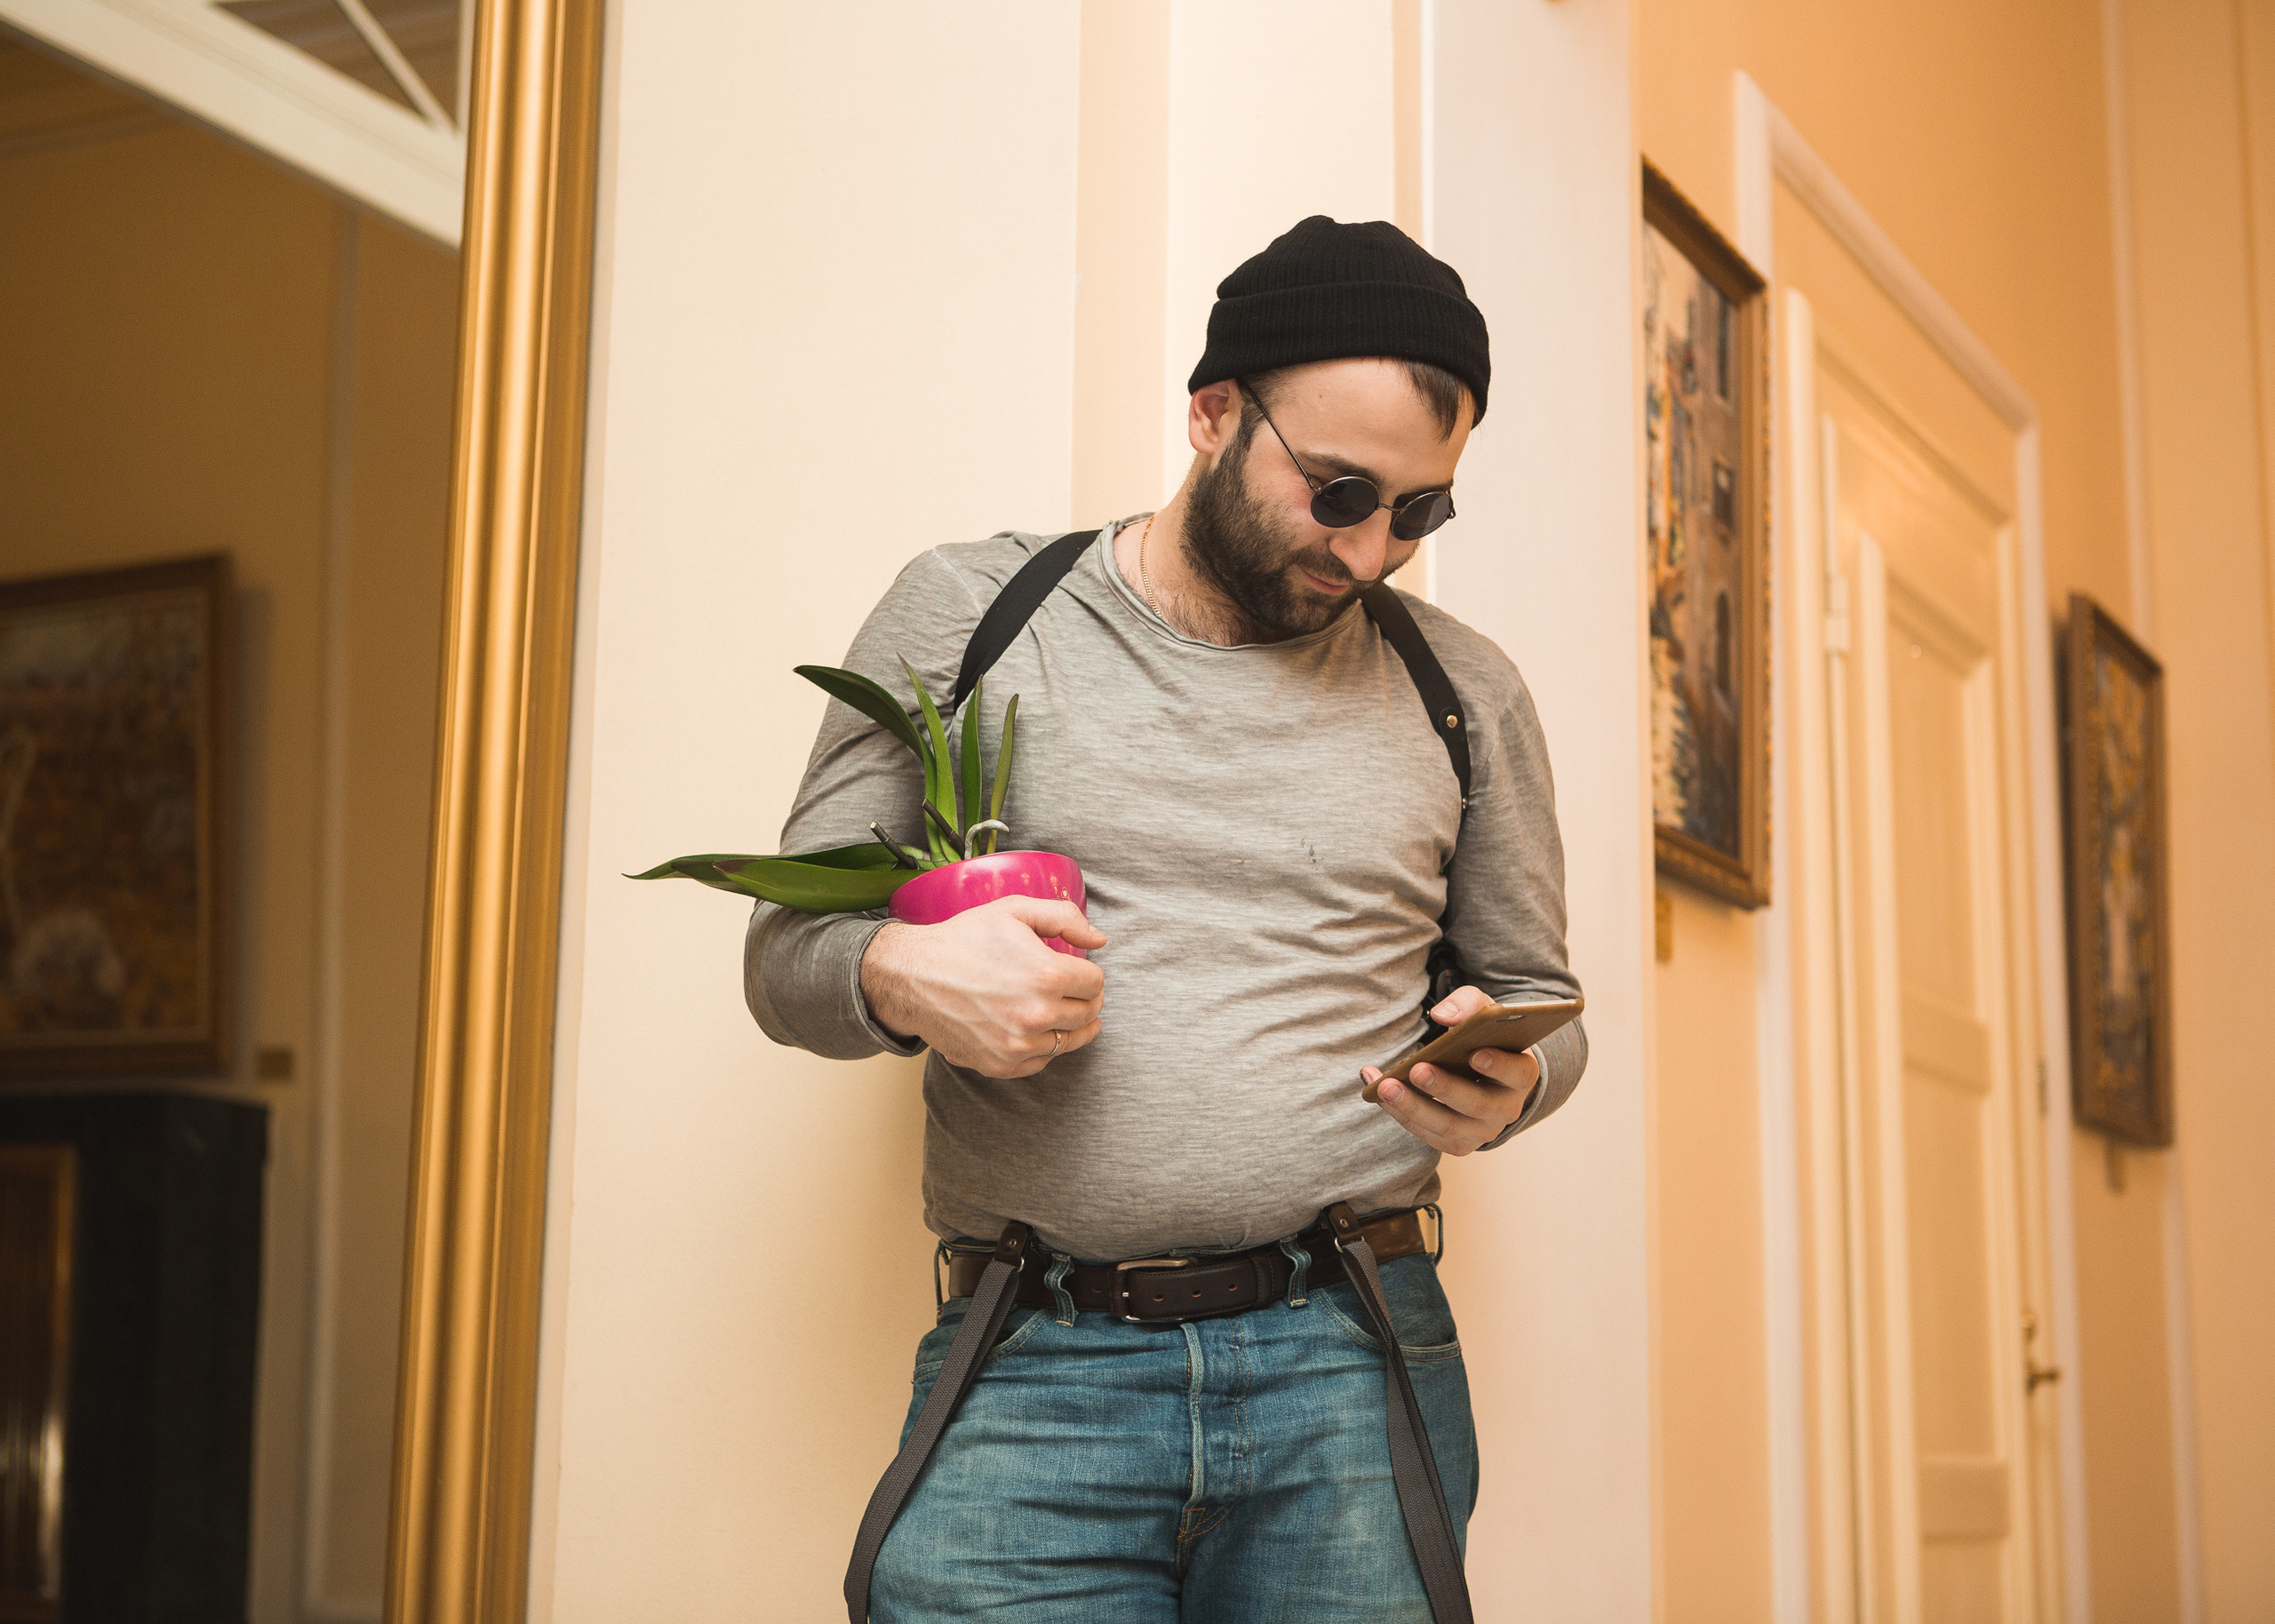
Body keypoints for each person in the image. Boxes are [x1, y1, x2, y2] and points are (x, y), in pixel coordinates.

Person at [747, 216, 1585, 1623]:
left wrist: (1508, 1082)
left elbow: (1538, 1000)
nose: (1374, 549)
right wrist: (902, 972)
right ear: (1212, 414)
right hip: (1038, 1358)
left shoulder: (1466, 692)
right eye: (1338, 493)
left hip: (1354, 1360)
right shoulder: (969, 617)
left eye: (1420, 511)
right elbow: (787, 962)